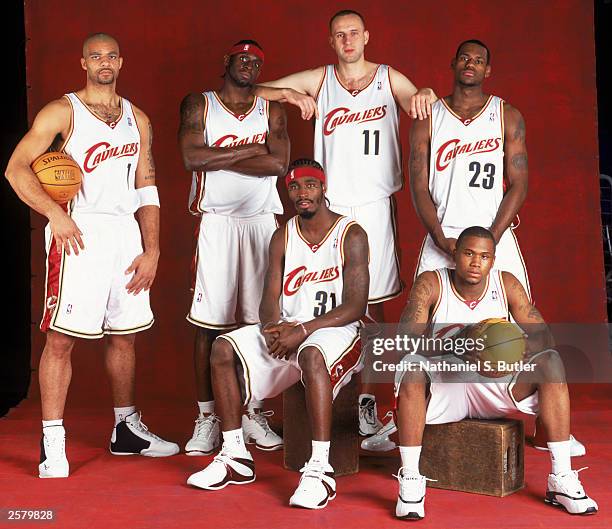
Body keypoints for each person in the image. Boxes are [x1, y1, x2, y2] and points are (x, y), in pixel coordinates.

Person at [366, 39, 584, 455]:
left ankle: (550, 425)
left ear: (488, 71)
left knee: (523, 328)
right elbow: (417, 185)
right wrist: (439, 237)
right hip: (441, 235)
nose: (471, 64)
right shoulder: (429, 118)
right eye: (464, 58)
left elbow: (518, 183)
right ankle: (406, 417)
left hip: (494, 236)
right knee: (421, 332)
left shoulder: (507, 115)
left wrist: (491, 239)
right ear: (452, 64)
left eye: (479, 60)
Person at [254, 9, 436, 436]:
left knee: (371, 306)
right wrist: (290, 95)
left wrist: (424, 91)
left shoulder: (388, 78)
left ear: (367, 37)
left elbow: (417, 100)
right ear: (330, 41)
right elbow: (254, 91)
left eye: (354, 33)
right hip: (328, 207)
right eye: (339, 34)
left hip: (373, 204)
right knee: (314, 295)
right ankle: (326, 398)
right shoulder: (321, 78)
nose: (348, 40)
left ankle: (368, 404)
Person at [4, 33, 179, 478]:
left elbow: (147, 186)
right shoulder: (64, 111)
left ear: (121, 61)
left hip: (125, 234)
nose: (104, 62)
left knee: (125, 335)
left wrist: (153, 249)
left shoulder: (137, 119)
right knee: (61, 339)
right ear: (83, 62)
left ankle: (126, 430)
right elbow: (15, 167)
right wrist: (52, 214)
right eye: (95, 56)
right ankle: (53, 441)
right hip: (78, 233)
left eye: (111, 56)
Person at [186, 159, 369, 509]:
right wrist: (273, 330)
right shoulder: (282, 235)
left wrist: (301, 330)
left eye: (310, 186)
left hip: (338, 330)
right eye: (295, 187)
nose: (302, 194)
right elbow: (268, 299)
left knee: (312, 354)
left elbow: (356, 306)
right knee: (223, 348)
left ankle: (319, 470)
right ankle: (235, 454)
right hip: (290, 329)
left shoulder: (352, 233)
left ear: (323, 187)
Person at [391, 226, 597, 519]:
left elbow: (544, 337)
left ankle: (561, 478)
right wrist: (461, 343)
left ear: (493, 259)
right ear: (455, 254)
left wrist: (515, 350)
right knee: (411, 368)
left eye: (484, 256)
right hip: (446, 386)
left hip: (495, 387)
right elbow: (404, 341)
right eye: (469, 254)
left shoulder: (506, 284)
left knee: (550, 360)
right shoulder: (431, 283)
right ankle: (410, 479)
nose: (476, 263)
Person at [178, 40, 289, 455]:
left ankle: (251, 412)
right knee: (209, 323)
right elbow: (191, 157)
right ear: (226, 62)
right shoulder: (199, 104)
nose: (249, 65)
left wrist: (218, 154)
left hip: (261, 223)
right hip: (217, 223)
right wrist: (252, 150)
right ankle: (207, 416)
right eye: (242, 58)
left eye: (257, 61)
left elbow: (278, 165)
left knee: (259, 323)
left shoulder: (271, 110)